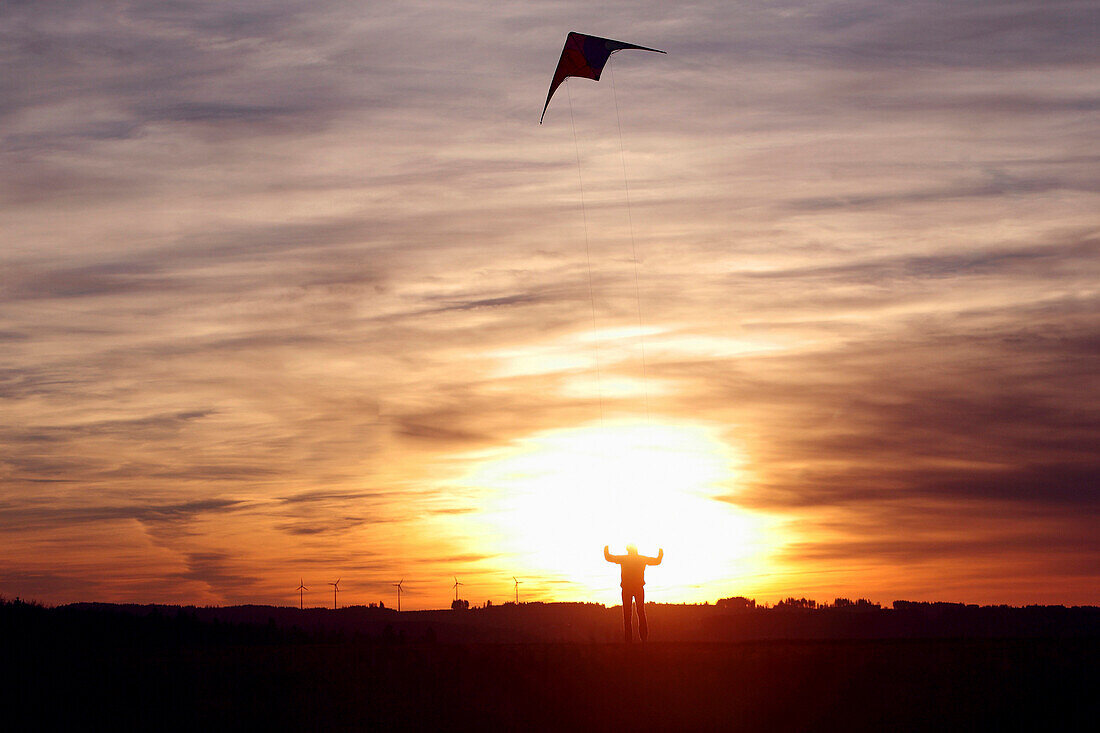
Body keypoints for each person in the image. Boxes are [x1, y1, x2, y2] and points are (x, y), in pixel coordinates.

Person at [604, 544, 663, 642]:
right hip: (637, 588)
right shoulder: (641, 559)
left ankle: (630, 640)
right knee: (639, 612)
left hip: (628, 588)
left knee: (628, 614)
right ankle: (642, 639)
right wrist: (660, 553)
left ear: (628, 550)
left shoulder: (625, 559)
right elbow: (657, 561)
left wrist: (606, 549)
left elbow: (609, 558)